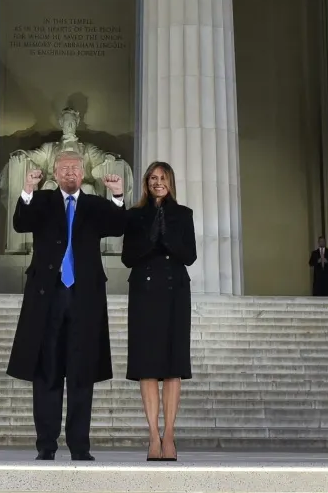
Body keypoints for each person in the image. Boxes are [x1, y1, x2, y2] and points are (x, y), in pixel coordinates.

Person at [6, 150, 127, 461]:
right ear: (55, 174)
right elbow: (21, 223)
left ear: (83, 172)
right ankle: (46, 445)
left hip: (84, 297)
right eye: (64, 168)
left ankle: (79, 447)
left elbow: (117, 226)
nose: (70, 173)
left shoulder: (94, 205)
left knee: (81, 372)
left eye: (75, 168)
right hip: (48, 295)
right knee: (46, 372)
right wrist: (28, 190)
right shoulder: (43, 202)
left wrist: (117, 195)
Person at [122, 161, 194, 462]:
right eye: (153, 178)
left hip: (175, 292)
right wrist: (152, 239)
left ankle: (170, 436)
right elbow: (128, 257)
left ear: (170, 182)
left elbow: (188, 255)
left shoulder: (183, 214)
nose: (157, 182)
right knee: (148, 367)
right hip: (144, 294)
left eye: (162, 177)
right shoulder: (136, 215)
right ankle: (153, 436)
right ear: (146, 183)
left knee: (173, 366)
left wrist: (167, 237)